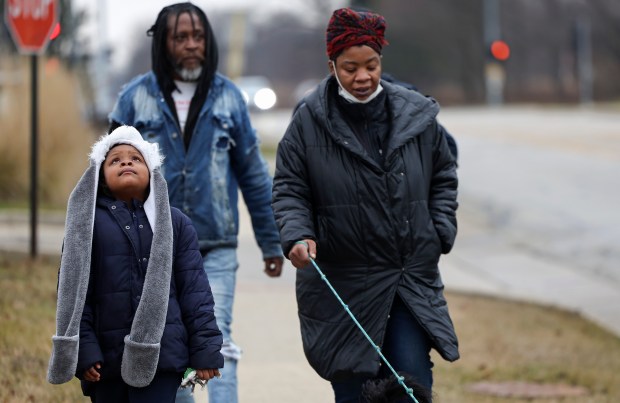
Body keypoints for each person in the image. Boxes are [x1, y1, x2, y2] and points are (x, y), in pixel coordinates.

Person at [272, 7, 459, 403]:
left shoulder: (416, 113)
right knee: (354, 393)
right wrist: (298, 234)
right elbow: (290, 187)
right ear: (332, 65)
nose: (362, 77)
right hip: (343, 284)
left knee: (410, 385)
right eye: (349, 67)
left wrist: (439, 229)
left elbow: (444, 172)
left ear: (380, 61)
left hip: (407, 282)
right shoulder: (308, 120)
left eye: (371, 65)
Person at [107, 3, 284, 402]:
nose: (191, 45)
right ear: (163, 44)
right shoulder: (134, 100)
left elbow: (253, 174)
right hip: (152, 248)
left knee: (215, 335)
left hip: (216, 245)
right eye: (180, 37)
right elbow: (107, 176)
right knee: (173, 347)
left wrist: (271, 241)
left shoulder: (229, 99)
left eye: (198, 37)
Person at [47, 126, 224, 402]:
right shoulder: (87, 225)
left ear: (152, 172)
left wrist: (205, 349)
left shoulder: (176, 224)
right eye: (115, 160)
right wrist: (85, 349)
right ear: (100, 176)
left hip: (162, 357)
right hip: (106, 362)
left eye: (136, 158)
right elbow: (74, 292)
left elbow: (196, 293)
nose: (126, 162)